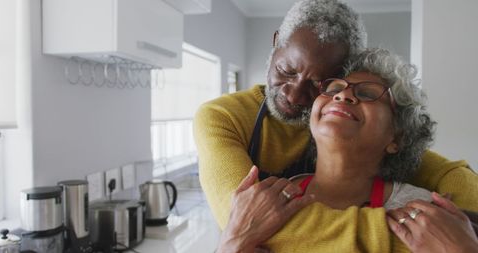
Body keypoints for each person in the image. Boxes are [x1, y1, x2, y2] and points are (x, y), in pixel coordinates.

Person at [193, 0, 478, 251]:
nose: (293, 95)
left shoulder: (347, 123)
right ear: (277, 41)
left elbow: (446, 172)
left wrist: (466, 228)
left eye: (320, 85)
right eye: (286, 70)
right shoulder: (223, 116)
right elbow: (242, 220)